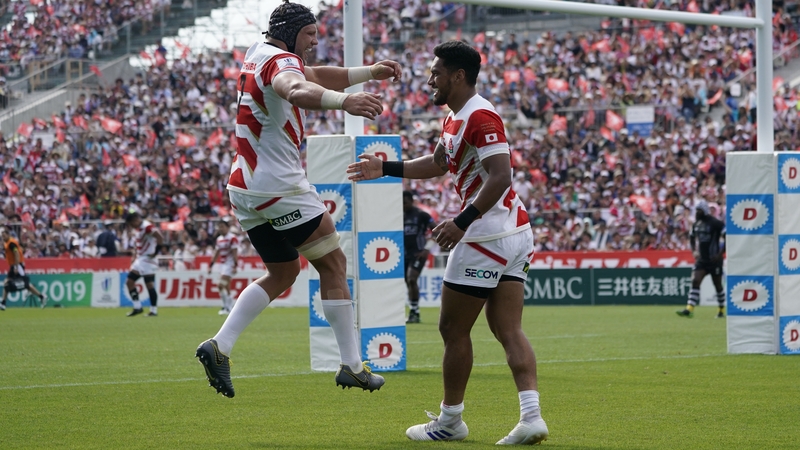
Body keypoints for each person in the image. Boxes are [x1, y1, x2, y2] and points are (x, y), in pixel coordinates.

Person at [194, 0, 402, 399]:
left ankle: (219, 346)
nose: (313, 43)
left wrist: (368, 73)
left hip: (244, 186)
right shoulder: (282, 64)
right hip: (280, 188)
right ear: (290, 33)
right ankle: (353, 367)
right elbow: (297, 87)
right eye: (309, 35)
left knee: (285, 272)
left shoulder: (259, 55)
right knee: (335, 263)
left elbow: (314, 75)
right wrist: (346, 101)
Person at [347, 40, 548, 445]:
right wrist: (384, 168)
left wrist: (461, 222)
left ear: (458, 76)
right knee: (508, 329)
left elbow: (500, 175)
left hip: (487, 234)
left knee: (453, 329)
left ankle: (450, 421)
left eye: (436, 73)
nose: (429, 79)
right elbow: (439, 163)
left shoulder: (481, 115)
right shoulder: (456, 118)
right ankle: (532, 416)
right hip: (512, 233)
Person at [677, 200, 726, 318]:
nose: (697, 212)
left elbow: (727, 237)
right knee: (695, 280)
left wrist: (720, 254)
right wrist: (694, 250)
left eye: (699, 210)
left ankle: (721, 310)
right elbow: (692, 237)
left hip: (714, 260)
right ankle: (689, 309)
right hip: (702, 260)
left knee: (718, 286)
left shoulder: (716, 223)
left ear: (704, 210)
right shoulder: (696, 224)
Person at [402, 190, 436, 323]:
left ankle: (414, 312)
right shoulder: (398, 215)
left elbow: (436, 230)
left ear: (411, 201)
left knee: (411, 279)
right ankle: (414, 312)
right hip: (404, 254)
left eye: (405, 203)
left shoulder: (421, 215)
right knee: (408, 282)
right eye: (402, 203)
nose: (403, 206)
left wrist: (427, 249)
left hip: (418, 254)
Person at [123, 212, 164, 317]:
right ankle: (138, 307)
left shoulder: (146, 227)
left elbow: (160, 237)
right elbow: (139, 244)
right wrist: (135, 255)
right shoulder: (139, 228)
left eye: (131, 224)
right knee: (129, 282)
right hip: (140, 259)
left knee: (149, 285)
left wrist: (156, 252)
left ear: (136, 220)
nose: (131, 226)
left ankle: (153, 310)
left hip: (148, 260)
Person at [1, 227, 47, 310]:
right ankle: (3, 303)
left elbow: (17, 253)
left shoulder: (11, 243)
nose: (3, 237)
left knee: (25, 284)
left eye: (4, 235)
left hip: (17, 265)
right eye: (2, 236)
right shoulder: (8, 242)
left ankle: (42, 296)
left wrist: (16, 266)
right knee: (8, 282)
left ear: (8, 235)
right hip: (14, 264)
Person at [208, 220, 239, 316]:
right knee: (226, 287)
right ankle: (229, 307)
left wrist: (235, 265)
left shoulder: (232, 238)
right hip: (221, 265)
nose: (220, 228)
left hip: (229, 265)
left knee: (220, 285)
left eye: (222, 226)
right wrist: (211, 265)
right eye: (219, 227)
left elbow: (234, 252)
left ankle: (226, 307)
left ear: (227, 227)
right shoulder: (219, 239)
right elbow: (216, 253)